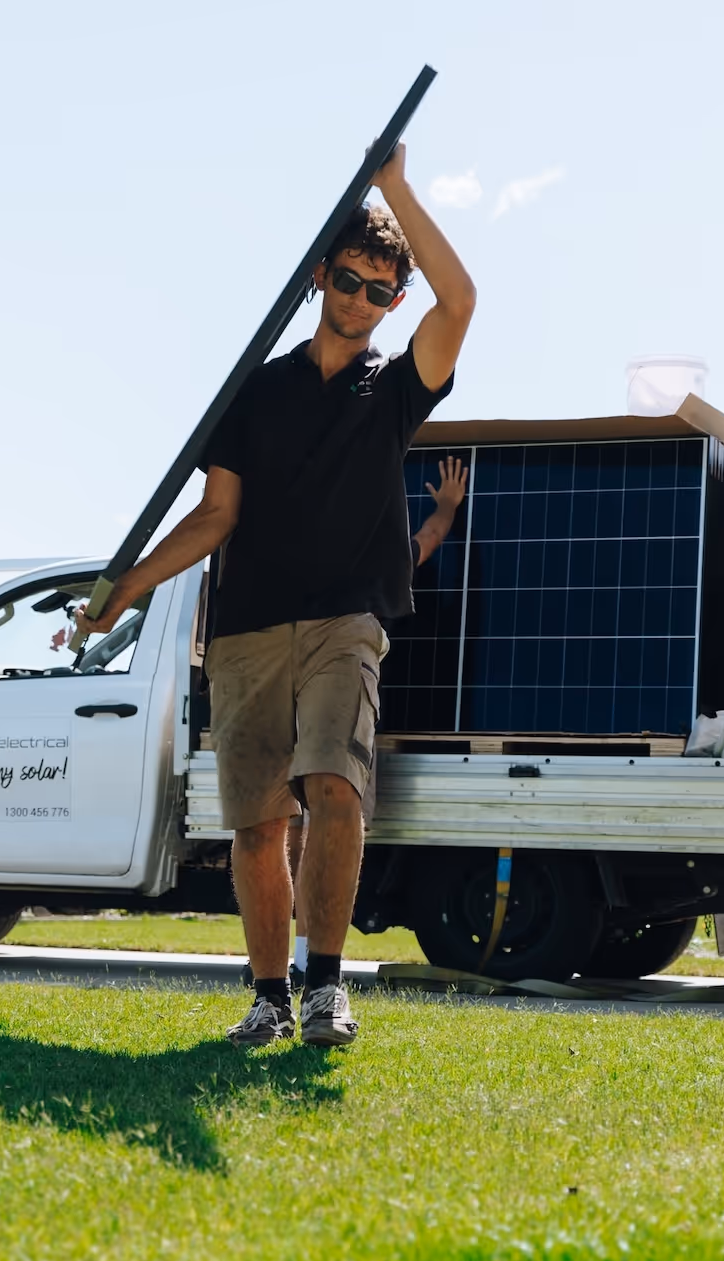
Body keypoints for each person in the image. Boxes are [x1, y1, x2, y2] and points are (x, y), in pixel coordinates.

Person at [78, 143, 475, 1046]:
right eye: (347, 281)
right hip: (248, 626)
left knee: (334, 786)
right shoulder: (253, 394)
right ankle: (268, 994)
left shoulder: (396, 389)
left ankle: (326, 987)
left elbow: (463, 302)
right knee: (259, 826)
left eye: (380, 292)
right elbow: (213, 515)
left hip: (348, 621)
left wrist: (395, 189)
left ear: (392, 306)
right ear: (319, 280)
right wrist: (124, 592)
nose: (360, 302)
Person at [286, 454, 467, 985]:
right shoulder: (380, 565)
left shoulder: (295, 562)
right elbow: (428, 539)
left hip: (290, 690)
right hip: (342, 703)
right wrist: (450, 507)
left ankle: (291, 954)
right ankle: (313, 963)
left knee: (296, 824)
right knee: (331, 822)